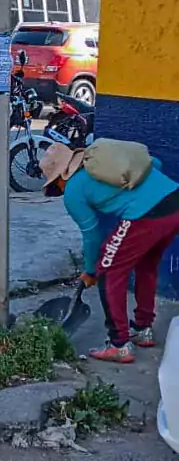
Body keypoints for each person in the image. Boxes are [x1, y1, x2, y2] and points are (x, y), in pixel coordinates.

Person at [40, 141, 179, 363]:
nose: (58, 191)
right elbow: (156, 163)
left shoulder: (73, 191)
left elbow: (92, 235)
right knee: (146, 266)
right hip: (174, 202)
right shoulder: (107, 162)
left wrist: (90, 270)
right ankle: (143, 329)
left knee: (109, 270)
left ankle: (119, 344)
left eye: (55, 186)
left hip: (145, 216)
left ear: (61, 177)